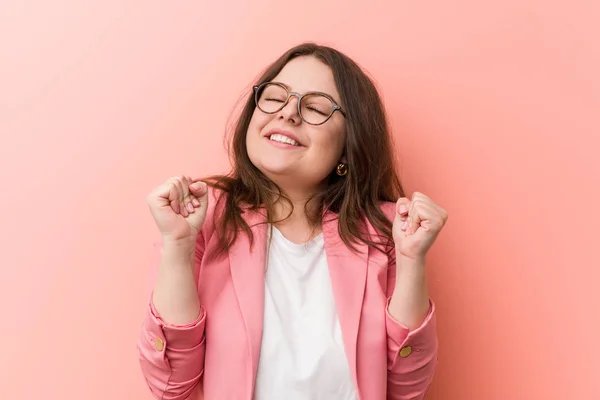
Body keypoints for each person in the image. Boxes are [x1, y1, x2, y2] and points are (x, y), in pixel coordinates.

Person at [137, 42, 448, 400]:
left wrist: (412, 260)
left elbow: (407, 389)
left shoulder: (388, 230)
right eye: (274, 97)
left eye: (315, 107)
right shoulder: (202, 218)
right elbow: (171, 383)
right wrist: (177, 246)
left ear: (349, 145)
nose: (288, 114)